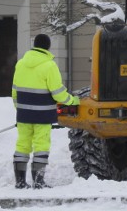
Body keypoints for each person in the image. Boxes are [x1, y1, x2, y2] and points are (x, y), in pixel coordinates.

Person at [12, 34, 79, 189]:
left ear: (34, 45)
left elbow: (15, 91)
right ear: (48, 47)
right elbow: (58, 93)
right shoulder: (49, 66)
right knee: (41, 145)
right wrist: (73, 100)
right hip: (42, 115)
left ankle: (20, 182)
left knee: (22, 145)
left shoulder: (20, 64)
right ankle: (38, 181)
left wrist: (21, 109)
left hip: (23, 114)